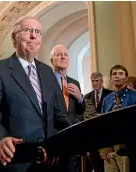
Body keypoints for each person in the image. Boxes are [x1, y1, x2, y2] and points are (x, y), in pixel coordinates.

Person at [0, 16, 71, 172]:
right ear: (14, 38)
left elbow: (60, 113)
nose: (34, 36)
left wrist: (61, 144)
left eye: (38, 32)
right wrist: (1, 139)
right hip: (15, 159)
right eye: (27, 30)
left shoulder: (47, 71)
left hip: (49, 160)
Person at [100, 65, 136, 172]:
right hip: (109, 148)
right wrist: (103, 149)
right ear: (111, 78)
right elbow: (102, 124)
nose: (117, 76)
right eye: (114, 74)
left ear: (126, 77)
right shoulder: (107, 99)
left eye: (120, 73)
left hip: (129, 148)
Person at [49, 44, 85, 172]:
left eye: (66, 54)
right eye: (59, 54)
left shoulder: (74, 83)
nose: (63, 57)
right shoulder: (45, 81)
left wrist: (80, 97)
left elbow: (81, 110)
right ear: (51, 60)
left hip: (71, 139)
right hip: (53, 138)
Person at [84, 72, 112, 172]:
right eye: (92, 81)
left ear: (101, 81)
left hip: (106, 131)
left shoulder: (110, 94)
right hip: (93, 132)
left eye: (97, 81)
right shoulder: (87, 96)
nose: (94, 83)